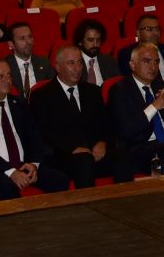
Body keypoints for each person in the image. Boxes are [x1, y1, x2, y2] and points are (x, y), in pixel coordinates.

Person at [0, 59, 69, 197]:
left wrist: (34, 164)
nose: (7, 80)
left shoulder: (20, 104)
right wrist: (11, 171)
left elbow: (34, 138)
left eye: (9, 75)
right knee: (7, 186)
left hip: (23, 164)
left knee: (59, 179)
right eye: (0, 76)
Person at [28, 45, 111, 188]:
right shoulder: (42, 95)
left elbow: (106, 122)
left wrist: (102, 142)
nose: (77, 68)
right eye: (71, 63)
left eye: (80, 62)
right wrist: (72, 148)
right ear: (58, 67)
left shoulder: (93, 91)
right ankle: (88, 202)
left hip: (94, 152)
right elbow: (42, 131)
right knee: (84, 161)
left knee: (122, 156)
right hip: (63, 155)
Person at [107, 42, 164, 179]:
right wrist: (154, 106)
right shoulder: (120, 90)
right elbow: (126, 131)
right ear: (132, 65)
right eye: (146, 61)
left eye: (156, 62)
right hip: (140, 148)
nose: (153, 67)